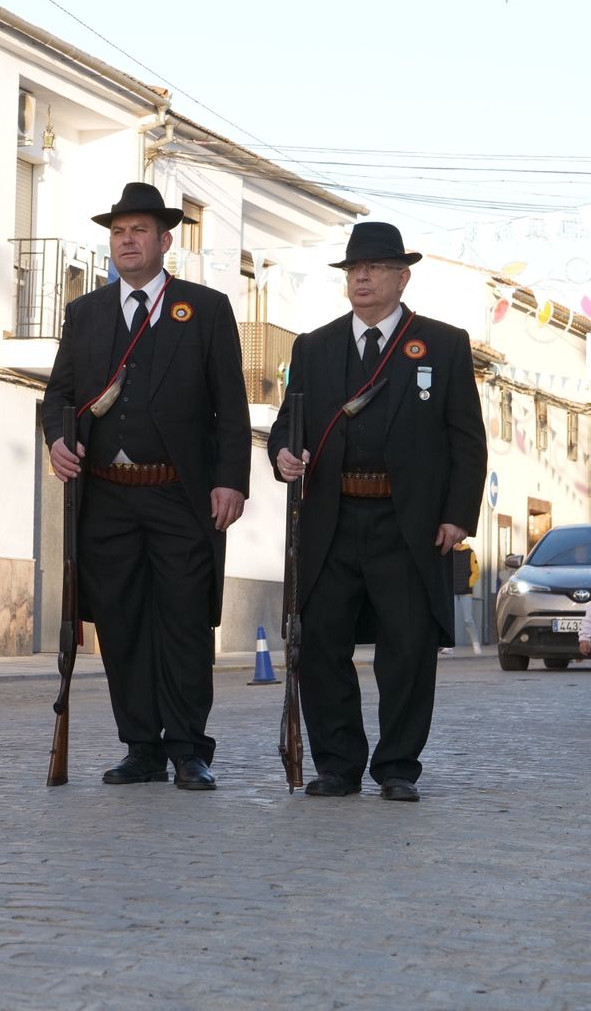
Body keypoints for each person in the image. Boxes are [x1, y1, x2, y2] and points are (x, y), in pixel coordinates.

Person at [42, 182, 250, 792]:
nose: (127, 241)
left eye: (139, 231)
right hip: (107, 496)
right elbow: (60, 394)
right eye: (118, 232)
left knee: (183, 624)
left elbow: (230, 408)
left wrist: (230, 481)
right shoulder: (86, 313)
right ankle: (141, 746)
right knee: (123, 625)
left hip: (179, 495)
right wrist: (58, 437)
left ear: (165, 241)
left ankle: (188, 748)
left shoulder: (204, 309)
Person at [272, 221, 485, 802]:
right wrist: (284, 455)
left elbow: (467, 439)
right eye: (352, 270)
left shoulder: (442, 344)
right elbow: (287, 425)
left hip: (408, 523)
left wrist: (457, 515)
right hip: (331, 521)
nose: (361, 277)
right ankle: (338, 765)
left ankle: (397, 767)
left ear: (401, 276)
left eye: (374, 268)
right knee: (320, 643)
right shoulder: (313, 347)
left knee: (409, 648)